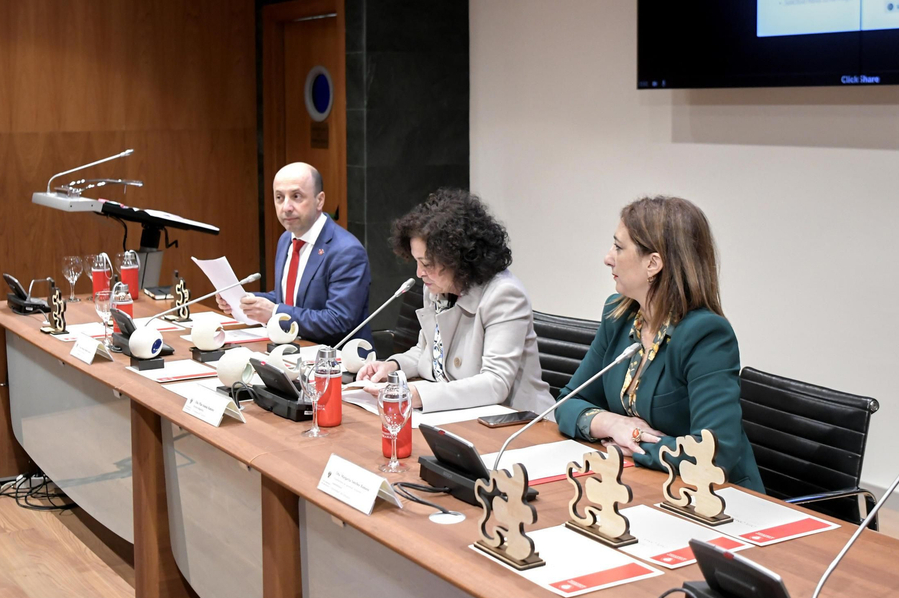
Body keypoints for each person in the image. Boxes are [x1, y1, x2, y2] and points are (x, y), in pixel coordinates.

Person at [554, 196, 763, 491]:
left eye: (618, 247)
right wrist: (614, 425)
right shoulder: (619, 315)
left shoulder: (705, 335)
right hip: (643, 484)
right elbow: (567, 402)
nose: (608, 257)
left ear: (653, 263)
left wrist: (638, 443)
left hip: (714, 498)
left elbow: (714, 454)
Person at [359, 189, 553, 415]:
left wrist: (418, 395)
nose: (419, 273)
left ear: (458, 258)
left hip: (517, 421)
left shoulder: (504, 295)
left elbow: (495, 383)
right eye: (416, 261)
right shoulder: (437, 287)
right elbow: (426, 352)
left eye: (428, 263)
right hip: (461, 414)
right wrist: (392, 367)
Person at [227, 162, 371, 345]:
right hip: (292, 349)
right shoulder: (287, 239)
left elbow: (339, 320)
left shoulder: (346, 251)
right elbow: (291, 298)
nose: (286, 207)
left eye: (296, 196)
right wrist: (246, 301)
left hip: (336, 360)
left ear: (319, 200)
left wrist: (275, 312)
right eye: (279, 197)